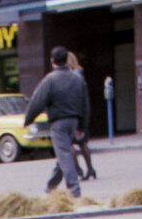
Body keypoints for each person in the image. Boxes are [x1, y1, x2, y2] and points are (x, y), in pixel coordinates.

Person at [23, 45, 90, 198]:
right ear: (66, 60)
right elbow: (85, 104)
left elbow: (37, 101)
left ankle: (74, 190)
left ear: (52, 61)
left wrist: (28, 119)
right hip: (74, 121)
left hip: (58, 122)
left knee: (64, 154)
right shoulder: (78, 79)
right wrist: (82, 126)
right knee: (63, 153)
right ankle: (51, 186)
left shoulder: (50, 80)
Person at [65, 52, 97, 180]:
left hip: (71, 113)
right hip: (80, 113)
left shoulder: (71, 77)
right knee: (82, 142)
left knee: (69, 143)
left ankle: (78, 170)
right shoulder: (79, 75)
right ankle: (90, 169)